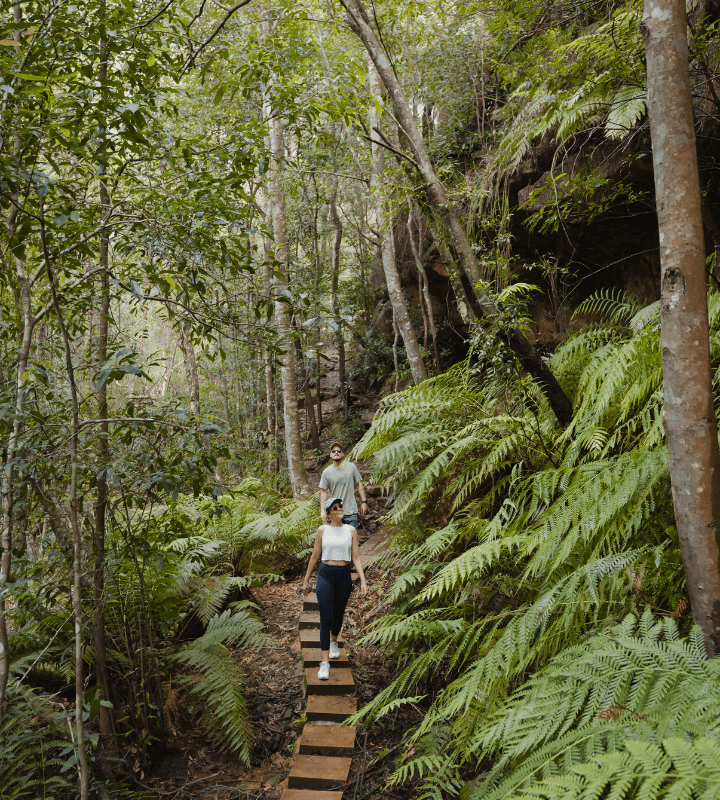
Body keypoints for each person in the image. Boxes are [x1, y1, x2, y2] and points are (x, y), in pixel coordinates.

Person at [302, 496, 368, 680]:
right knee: (326, 617)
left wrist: (363, 580)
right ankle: (324, 663)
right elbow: (315, 556)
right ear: (329, 513)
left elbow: (355, 557)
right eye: (335, 507)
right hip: (325, 575)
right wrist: (306, 580)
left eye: (340, 505)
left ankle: (334, 642)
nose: (340, 508)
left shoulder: (351, 530)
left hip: (344, 576)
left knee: (338, 614)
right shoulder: (322, 530)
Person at [319, 442, 368, 528]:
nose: (336, 452)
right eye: (333, 451)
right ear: (330, 455)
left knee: (352, 539)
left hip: (351, 512)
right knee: (337, 540)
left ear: (343, 454)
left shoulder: (351, 467)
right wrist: (323, 511)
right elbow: (323, 492)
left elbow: (359, 484)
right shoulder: (326, 472)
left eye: (339, 450)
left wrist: (364, 502)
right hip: (335, 513)